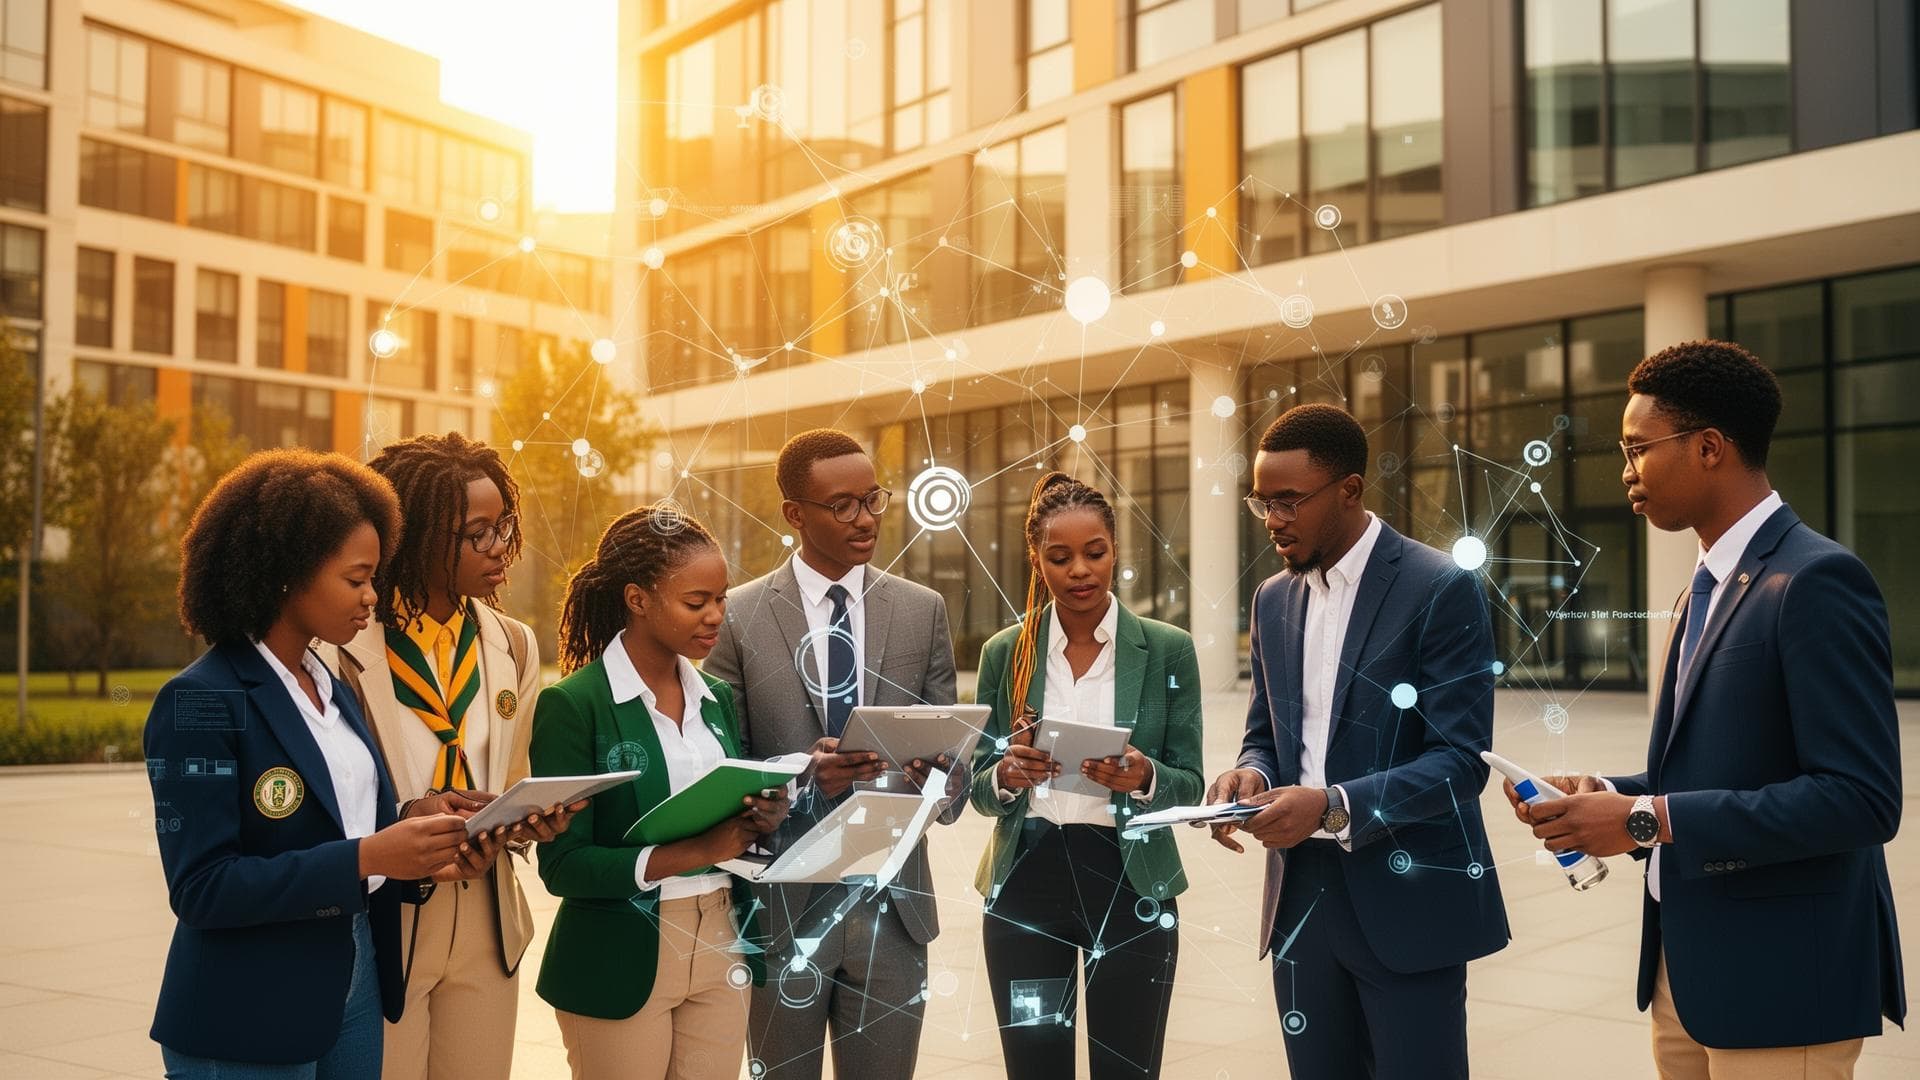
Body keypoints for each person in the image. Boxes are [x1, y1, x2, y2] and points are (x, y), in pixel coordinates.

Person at [1504, 340, 1904, 1078]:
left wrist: (1641, 821)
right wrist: (1612, 794)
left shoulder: (1816, 581)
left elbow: (1862, 800)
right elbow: (1706, 766)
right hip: (1686, 973)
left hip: (1782, 984)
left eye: (1636, 449)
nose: (1624, 471)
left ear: (1711, 447)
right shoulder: (1704, 586)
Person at [145, 449, 492, 1079]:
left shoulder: (328, 685)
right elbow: (203, 888)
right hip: (247, 1008)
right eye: (356, 578)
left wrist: (417, 824)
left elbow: (341, 822)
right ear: (285, 576)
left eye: (375, 577)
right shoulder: (201, 700)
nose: (372, 597)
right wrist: (370, 857)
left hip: (355, 983)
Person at [1206, 403, 1509, 1080]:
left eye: (1289, 501)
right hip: (1299, 902)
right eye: (1263, 503)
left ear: (1349, 489)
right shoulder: (1272, 600)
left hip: (1408, 904)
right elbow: (1265, 735)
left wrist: (1332, 804)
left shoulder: (1440, 587)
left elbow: (1461, 763)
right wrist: (1248, 775)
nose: (1274, 520)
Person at [702, 427, 963, 1080]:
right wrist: (801, 776)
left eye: (874, 499)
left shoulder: (921, 611)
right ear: (795, 515)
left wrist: (945, 777)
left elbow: (954, 779)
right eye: (843, 505)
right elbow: (717, 773)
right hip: (781, 905)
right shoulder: (737, 619)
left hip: (894, 910)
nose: (866, 518)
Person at [328, 432, 580, 1080]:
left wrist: (530, 820)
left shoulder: (514, 644)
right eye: (478, 533)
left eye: (504, 527)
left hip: (486, 914)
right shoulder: (347, 643)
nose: (501, 548)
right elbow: (328, 794)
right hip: (386, 915)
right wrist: (405, 813)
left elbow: (516, 778)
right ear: (413, 535)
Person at [531, 505, 791, 1080]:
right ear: (638, 598)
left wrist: (757, 816)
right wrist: (700, 849)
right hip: (619, 952)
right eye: (696, 602)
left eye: (721, 599)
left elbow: (726, 820)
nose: (716, 616)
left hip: (721, 934)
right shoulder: (575, 705)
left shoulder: (716, 697)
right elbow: (564, 866)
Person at [968, 472, 1203, 1079]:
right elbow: (976, 786)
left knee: (1127, 1066)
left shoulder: (1167, 649)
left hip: (1131, 885)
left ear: (1115, 550)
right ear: (1035, 560)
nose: (1080, 570)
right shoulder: (1007, 652)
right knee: (1035, 1064)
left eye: (1094, 552)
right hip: (1026, 885)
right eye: (1060, 556)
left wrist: (1146, 776)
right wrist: (1005, 776)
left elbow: (1191, 782)